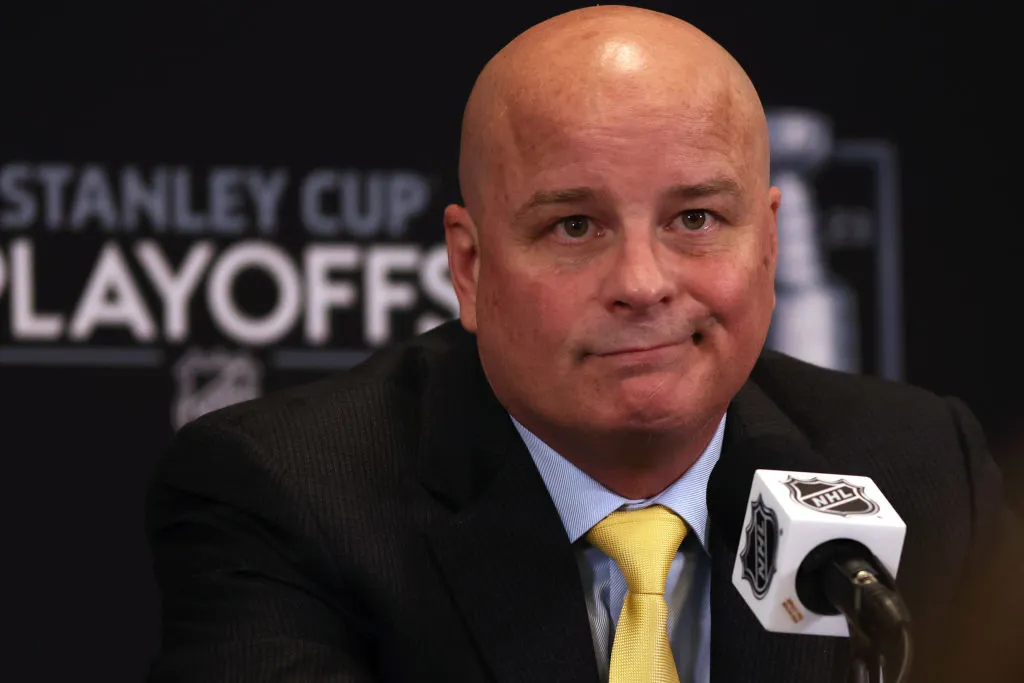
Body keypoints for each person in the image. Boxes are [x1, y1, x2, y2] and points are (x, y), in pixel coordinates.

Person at [144, 6, 1016, 683]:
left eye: (696, 218)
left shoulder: (918, 471)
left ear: (769, 243)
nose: (642, 281)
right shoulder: (289, 497)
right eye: (573, 226)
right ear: (472, 264)